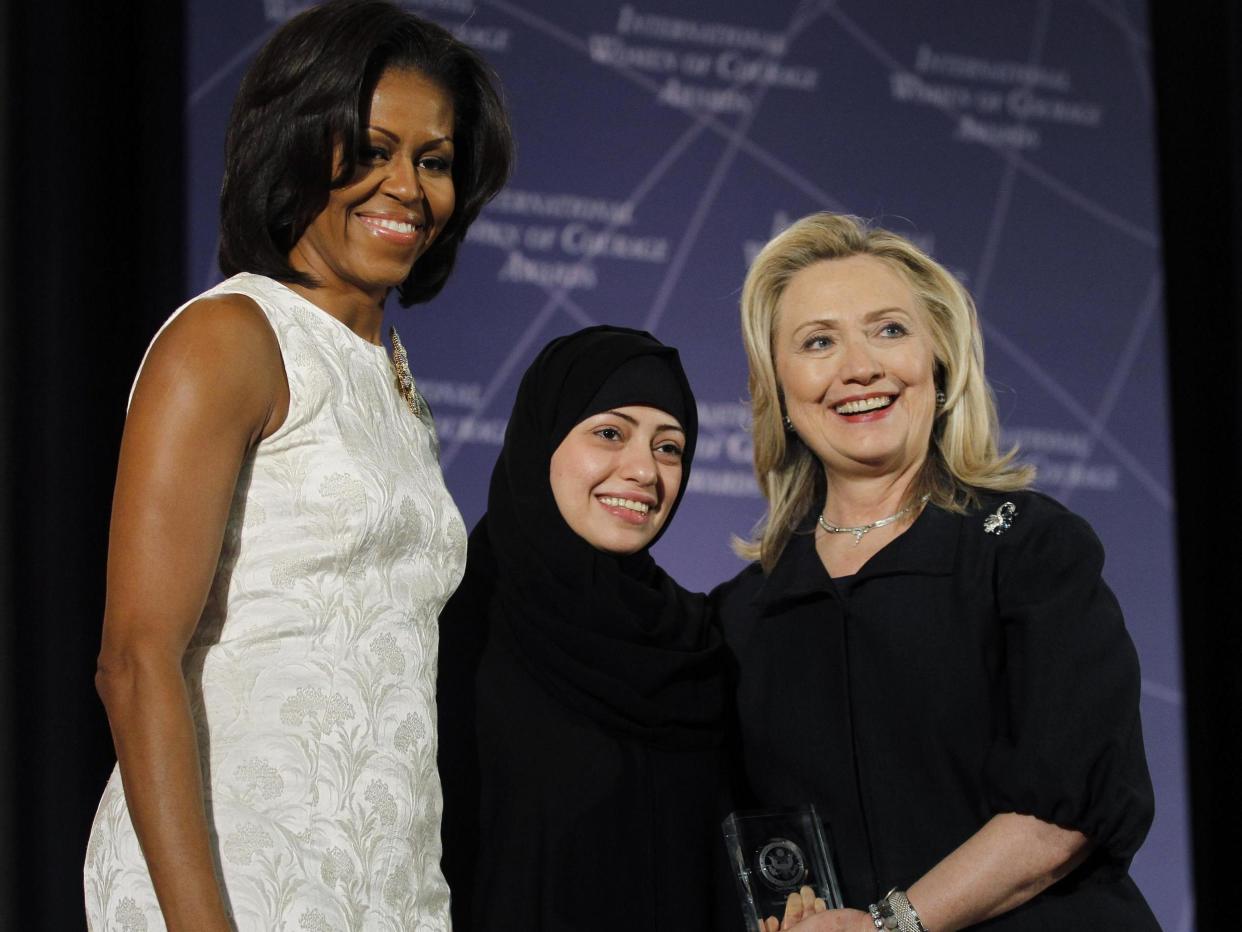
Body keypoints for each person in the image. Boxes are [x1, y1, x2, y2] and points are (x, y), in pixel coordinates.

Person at [83, 2, 513, 929]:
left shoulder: (393, 381)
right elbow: (135, 659)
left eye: (432, 161)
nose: (405, 185)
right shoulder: (228, 337)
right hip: (231, 878)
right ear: (293, 144)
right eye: (368, 148)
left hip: (382, 888)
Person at [712, 213, 1159, 931]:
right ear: (780, 393)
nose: (861, 366)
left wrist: (892, 925)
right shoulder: (744, 613)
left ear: (940, 363)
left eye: (889, 330)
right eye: (819, 342)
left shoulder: (1031, 551)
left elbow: (1063, 808)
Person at [437, 326, 735, 932]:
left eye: (669, 448)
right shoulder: (453, 632)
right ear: (542, 437)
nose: (644, 472)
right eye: (609, 433)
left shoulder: (698, 642)